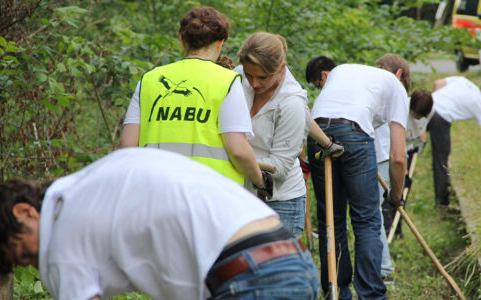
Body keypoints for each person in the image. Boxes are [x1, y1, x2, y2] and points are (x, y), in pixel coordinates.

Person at [0, 148, 320, 300]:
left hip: (249, 278)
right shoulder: (93, 183)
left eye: (23, 253)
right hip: (292, 260)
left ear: (25, 213)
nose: (35, 263)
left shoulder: (61, 227)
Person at [118, 6, 270, 195]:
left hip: (155, 192)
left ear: (182, 41)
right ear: (221, 43)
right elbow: (238, 150)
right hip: (210, 196)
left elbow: (127, 146)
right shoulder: (227, 81)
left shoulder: (149, 80)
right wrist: (260, 181)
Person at [305, 54, 410, 300]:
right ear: (402, 77)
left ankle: (337, 292)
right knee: (367, 220)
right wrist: (395, 196)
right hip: (352, 132)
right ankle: (371, 295)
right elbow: (398, 157)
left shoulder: (344, 70)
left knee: (331, 219)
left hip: (316, 130)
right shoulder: (397, 88)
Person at [234, 32, 342, 236]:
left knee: (276, 268)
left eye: (262, 77)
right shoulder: (238, 77)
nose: (254, 83)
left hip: (280, 203)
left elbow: (279, 168)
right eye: (250, 75)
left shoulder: (291, 103)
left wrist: (236, 156)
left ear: (281, 69)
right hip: (240, 194)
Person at [375, 88, 433, 280]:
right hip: (393, 152)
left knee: (403, 193)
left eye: (420, 116)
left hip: (410, 147)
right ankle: (386, 229)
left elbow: (423, 128)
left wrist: (420, 146)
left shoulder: (429, 110)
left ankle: (397, 229)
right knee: (390, 194)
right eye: (415, 115)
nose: (417, 118)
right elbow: (394, 149)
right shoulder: (400, 109)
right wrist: (403, 168)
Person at [428, 77, 481, 206]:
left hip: (427, 105)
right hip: (440, 117)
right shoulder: (480, 103)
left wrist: (436, 102)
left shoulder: (464, 81)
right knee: (441, 159)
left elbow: (437, 83)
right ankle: (442, 201)